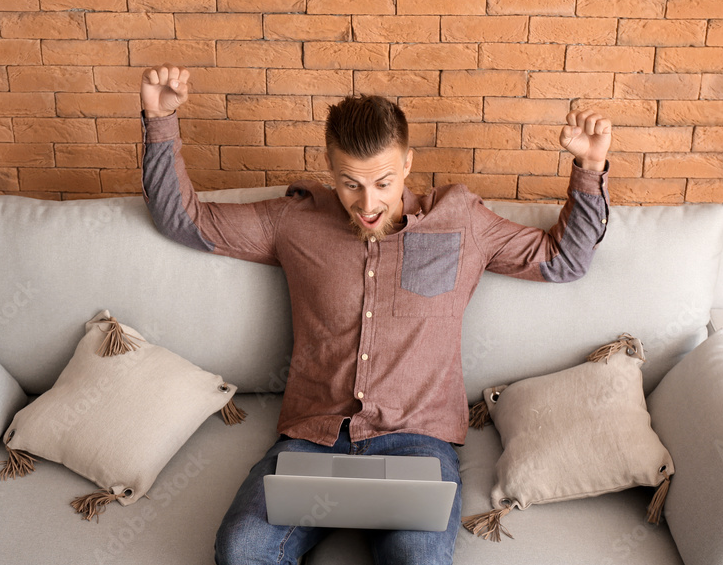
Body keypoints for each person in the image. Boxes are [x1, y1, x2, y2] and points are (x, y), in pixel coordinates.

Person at [139, 64, 612, 565]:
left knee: (418, 561)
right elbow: (185, 221)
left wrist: (590, 168)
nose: (368, 204)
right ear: (330, 168)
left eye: (383, 182)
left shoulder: (461, 223)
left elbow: (564, 260)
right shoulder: (294, 221)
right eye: (350, 185)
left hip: (415, 445)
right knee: (242, 549)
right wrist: (159, 118)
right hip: (313, 442)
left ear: (407, 164)